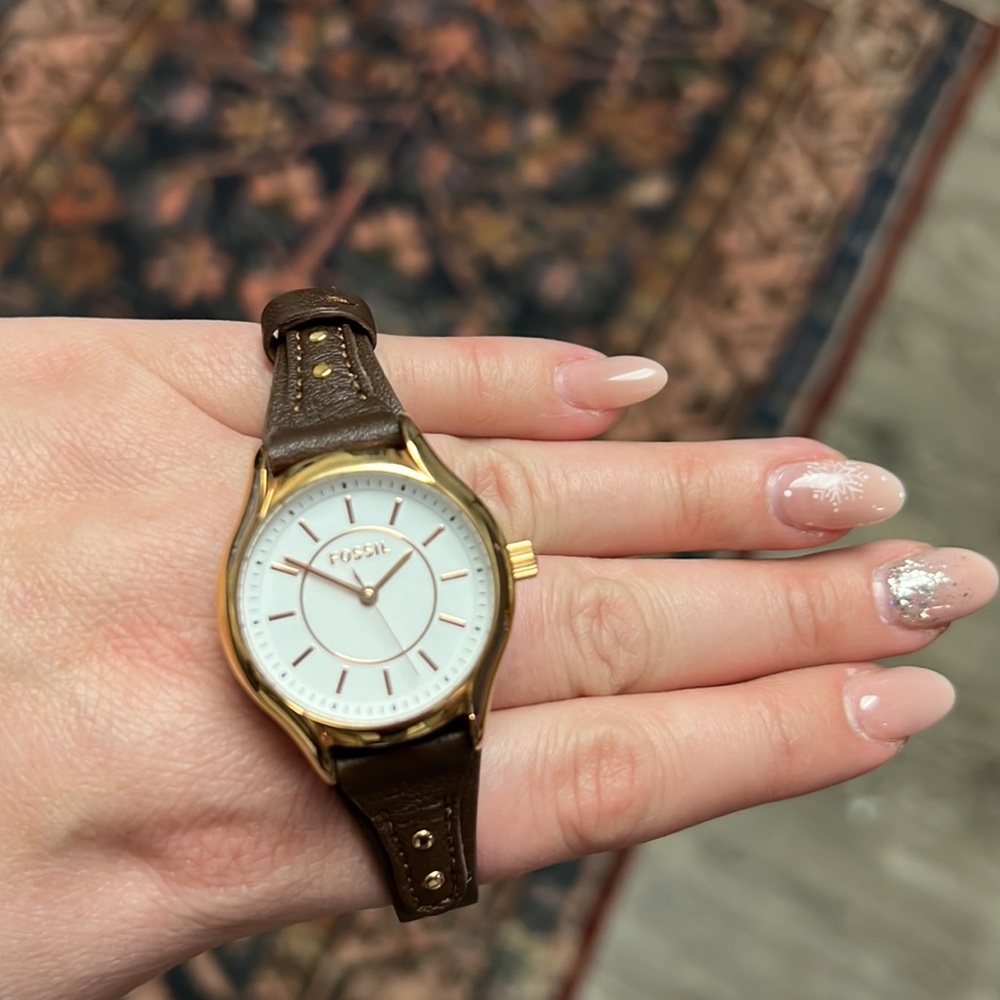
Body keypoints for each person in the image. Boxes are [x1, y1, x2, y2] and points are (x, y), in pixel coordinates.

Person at [1, 316, 995, 1000]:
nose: (367, 590)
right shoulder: (266, 625)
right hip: (345, 718)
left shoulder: (461, 559)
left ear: (498, 560)